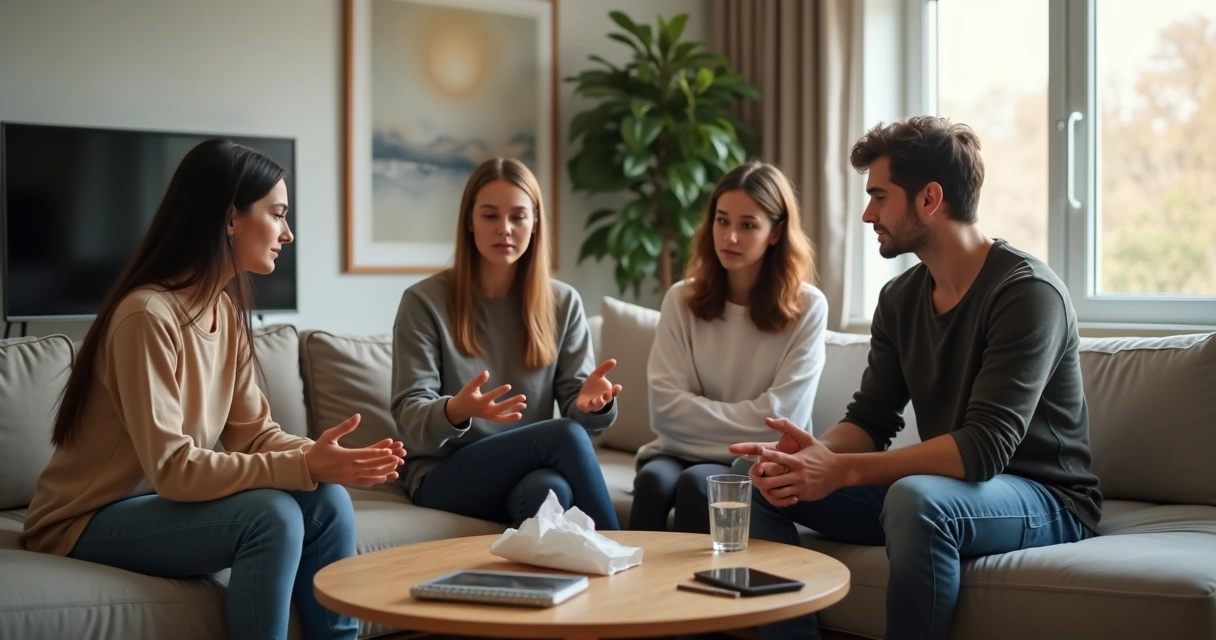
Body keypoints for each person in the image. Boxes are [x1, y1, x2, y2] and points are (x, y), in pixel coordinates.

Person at [731, 116, 1102, 640]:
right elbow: (871, 418)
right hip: (955, 490)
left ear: (930, 198)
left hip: (1047, 497)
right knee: (767, 484)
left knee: (915, 499)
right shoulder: (901, 299)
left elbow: (983, 449)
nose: (867, 214)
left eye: (879, 197)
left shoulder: (1027, 293)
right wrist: (811, 457)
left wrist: (843, 471)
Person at [20, 139, 405, 640]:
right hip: (84, 520)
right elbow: (174, 470)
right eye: (278, 214)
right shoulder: (146, 316)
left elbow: (254, 435)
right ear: (230, 219)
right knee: (271, 517)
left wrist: (324, 458)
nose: (287, 233)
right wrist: (303, 465)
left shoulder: (223, 312)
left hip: (154, 506)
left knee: (327, 500)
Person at [390, 157, 622, 530]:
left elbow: (583, 418)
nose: (505, 229)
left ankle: (528, 586)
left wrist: (593, 405)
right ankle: (622, 555)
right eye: (490, 216)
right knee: (563, 435)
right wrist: (456, 410)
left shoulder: (562, 302)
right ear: (469, 221)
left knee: (550, 490)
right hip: (443, 474)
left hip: (528, 468)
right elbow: (408, 417)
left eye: (518, 216)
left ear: (535, 223)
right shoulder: (423, 302)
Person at [628, 161, 829, 533]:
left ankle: (701, 591)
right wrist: (742, 420)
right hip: (672, 453)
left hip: (752, 463)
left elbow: (782, 423)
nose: (730, 237)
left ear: (775, 232)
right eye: (722, 221)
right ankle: (625, 588)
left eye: (747, 225)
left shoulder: (808, 308)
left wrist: (698, 421)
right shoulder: (681, 299)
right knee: (653, 481)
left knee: (697, 482)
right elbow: (665, 410)